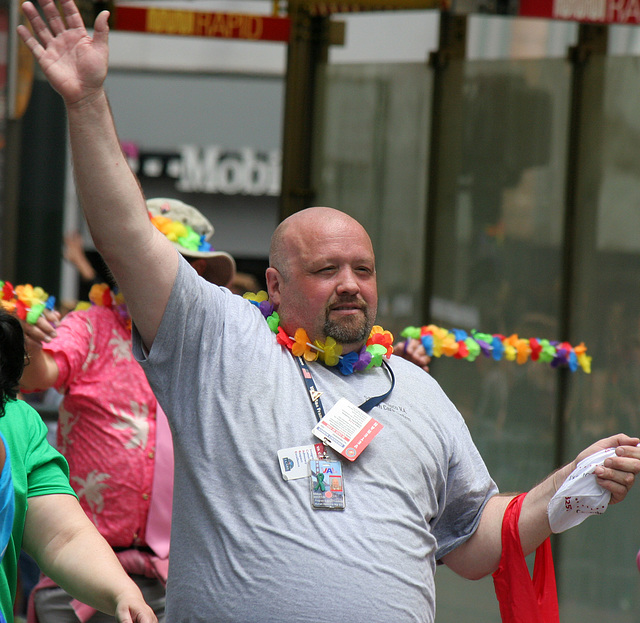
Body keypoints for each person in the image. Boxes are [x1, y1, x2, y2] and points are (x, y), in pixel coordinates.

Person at [16, 2, 640, 621]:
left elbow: (473, 544)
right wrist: (86, 101)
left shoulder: (419, 392)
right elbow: (128, 236)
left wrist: (564, 491)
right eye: (325, 271)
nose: (350, 285)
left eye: (363, 270)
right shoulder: (221, 343)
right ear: (276, 288)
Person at [17, 199, 234, 623]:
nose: (154, 274)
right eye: (142, 260)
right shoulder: (90, 327)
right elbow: (37, 375)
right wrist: (26, 341)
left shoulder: (213, 344)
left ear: (199, 274)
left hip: (178, 577)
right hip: (78, 567)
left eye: (174, 263)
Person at [0, 308, 157, 623]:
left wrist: (121, 593)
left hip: (154, 567)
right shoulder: (91, 325)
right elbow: (42, 373)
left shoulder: (17, 421)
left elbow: (63, 536)